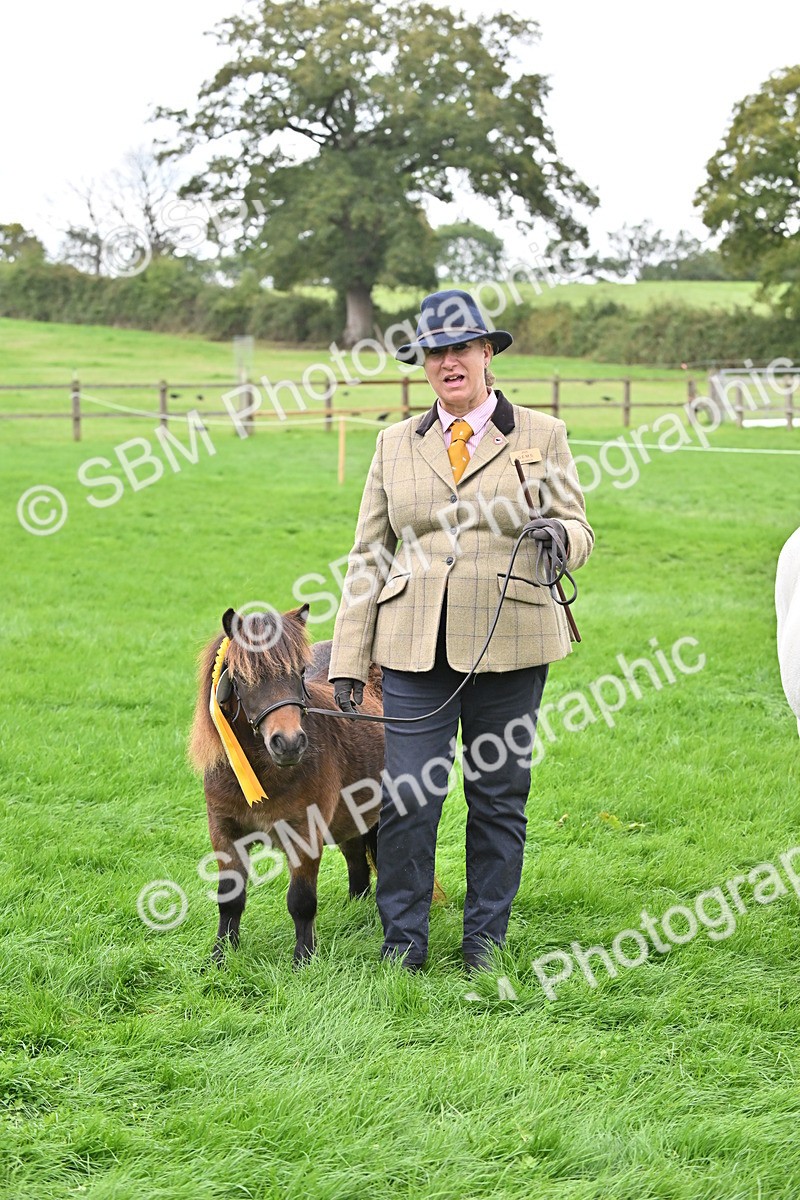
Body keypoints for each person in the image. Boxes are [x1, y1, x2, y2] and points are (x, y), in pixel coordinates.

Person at [328, 288, 594, 973]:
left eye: (460, 349)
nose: (449, 362)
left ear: (486, 354)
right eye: (434, 352)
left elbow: (581, 527)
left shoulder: (542, 433)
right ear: (424, 364)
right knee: (410, 795)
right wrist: (349, 662)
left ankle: (484, 944)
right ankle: (402, 945)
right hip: (413, 648)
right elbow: (368, 556)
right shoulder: (394, 444)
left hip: (512, 640)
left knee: (499, 793)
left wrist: (561, 535)